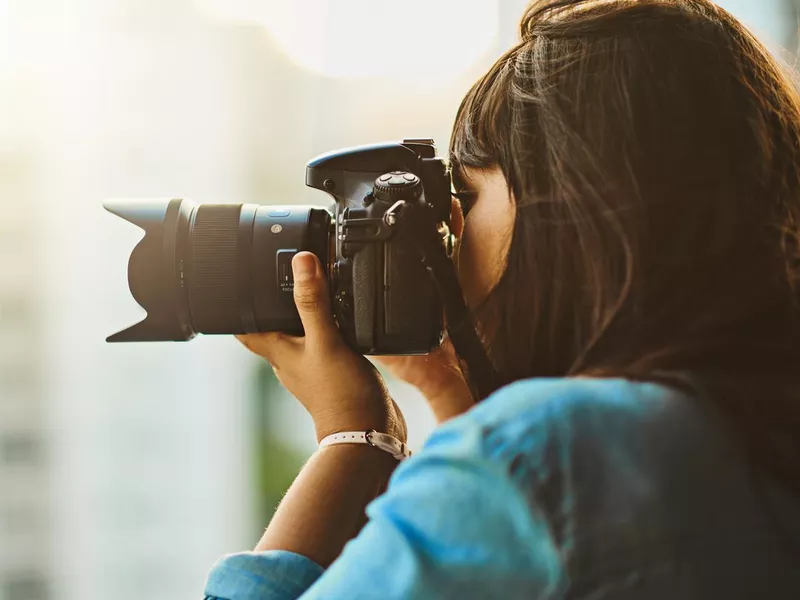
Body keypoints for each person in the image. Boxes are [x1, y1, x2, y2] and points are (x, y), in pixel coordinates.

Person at [204, 0, 800, 598]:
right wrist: (450, 389)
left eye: (468, 193)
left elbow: (530, 497)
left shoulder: (543, 455)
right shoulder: (750, 431)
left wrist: (354, 440)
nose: (452, 231)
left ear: (568, 213)